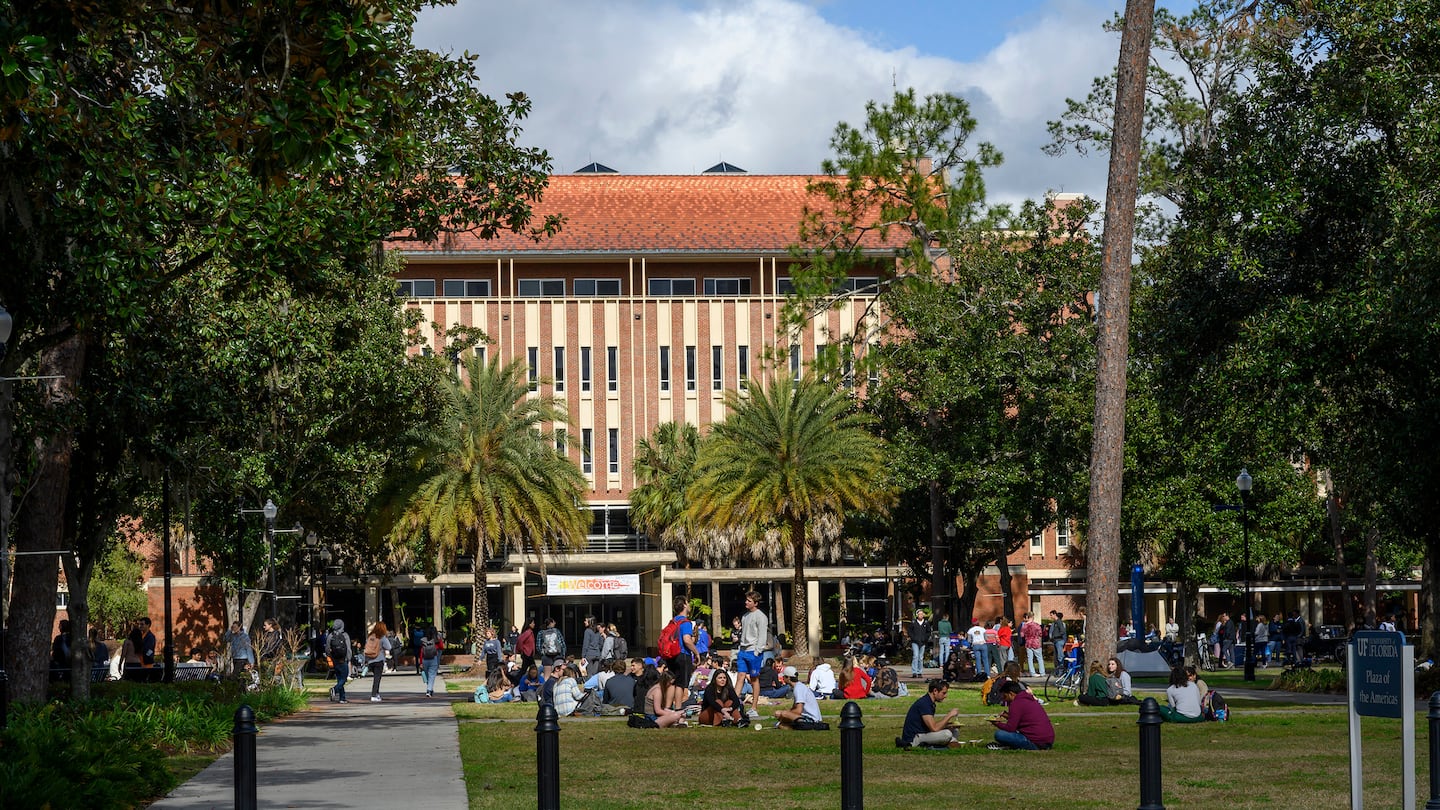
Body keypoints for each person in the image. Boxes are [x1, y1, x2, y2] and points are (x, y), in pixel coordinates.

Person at [989, 680, 1055, 750]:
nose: (1004, 699)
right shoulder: (1029, 699)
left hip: (1036, 742)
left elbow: (1010, 728)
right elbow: (1025, 719)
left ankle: (1014, 745)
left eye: (1005, 696)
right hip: (1048, 740)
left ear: (1011, 694)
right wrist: (1009, 716)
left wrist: (997, 723)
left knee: (999, 734)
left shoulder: (1016, 704)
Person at [901, 678, 963, 748]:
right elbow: (934, 728)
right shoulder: (924, 704)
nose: (945, 696)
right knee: (947, 734)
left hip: (923, 733)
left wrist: (948, 725)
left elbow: (930, 727)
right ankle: (948, 743)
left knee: (955, 731)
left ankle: (949, 743)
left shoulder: (929, 702)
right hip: (915, 738)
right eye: (944, 693)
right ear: (935, 691)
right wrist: (950, 715)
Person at [735, 590, 769, 708]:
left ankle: (754, 706)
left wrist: (757, 651)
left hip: (753, 651)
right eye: (746, 600)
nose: (746, 602)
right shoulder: (745, 616)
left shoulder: (761, 617)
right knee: (740, 676)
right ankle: (734, 704)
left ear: (755, 603)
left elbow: (762, 636)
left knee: (754, 679)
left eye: (749, 601)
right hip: (743, 650)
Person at [661, 597, 699, 689]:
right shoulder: (685, 622)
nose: (689, 605)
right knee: (681, 685)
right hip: (683, 654)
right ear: (684, 605)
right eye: (688, 603)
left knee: (672, 682)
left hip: (671, 655)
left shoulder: (673, 621)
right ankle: (679, 703)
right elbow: (686, 640)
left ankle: (670, 703)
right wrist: (696, 652)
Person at [365, 621, 393, 702]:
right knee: (377, 678)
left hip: (370, 659)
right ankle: (374, 695)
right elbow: (389, 647)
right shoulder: (382, 637)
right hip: (379, 659)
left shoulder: (370, 636)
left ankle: (377, 694)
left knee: (376, 677)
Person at [327, 619, 351, 703]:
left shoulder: (330, 636)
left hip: (335, 660)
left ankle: (342, 698)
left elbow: (327, 649)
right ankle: (335, 689)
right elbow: (348, 648)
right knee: (344, 679)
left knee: (339, 678)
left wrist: (331, 657)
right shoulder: (345, 635)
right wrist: (348, 658)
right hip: (343, 659)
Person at [419, 625, 445, 697]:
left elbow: (421, 651)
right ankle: (429, 690)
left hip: (425, 659)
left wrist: (420, 662)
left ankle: (429, 688)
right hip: (433, 658)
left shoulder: (423, 640)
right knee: (432, 675)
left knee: (427, 675)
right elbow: (442, 647)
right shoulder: (437, 639)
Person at [1021, 612, 1046, 677]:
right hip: (1036, 642)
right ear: (1033, 617)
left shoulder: (1024, 626)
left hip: (1028, 643)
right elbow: (1040, 634)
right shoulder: (1037, 625)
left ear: (1028, 617)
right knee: (1039, 658)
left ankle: (1032, 673)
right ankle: (1042, 672)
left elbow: (1022, 635)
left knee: (1030, 659)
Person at [907, 610, 931, 677]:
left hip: (923, 642)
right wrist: (913, 637)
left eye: (922, 614)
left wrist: (925, 638)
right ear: (917, 615)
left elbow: (929, 632)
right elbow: (909, 631)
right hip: (915, 642)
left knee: (920, 657)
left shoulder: (926, 623)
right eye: (919, 614)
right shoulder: (913, 622)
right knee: (915, 656)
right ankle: (914, 672)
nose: (921, 615)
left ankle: (919, 672)